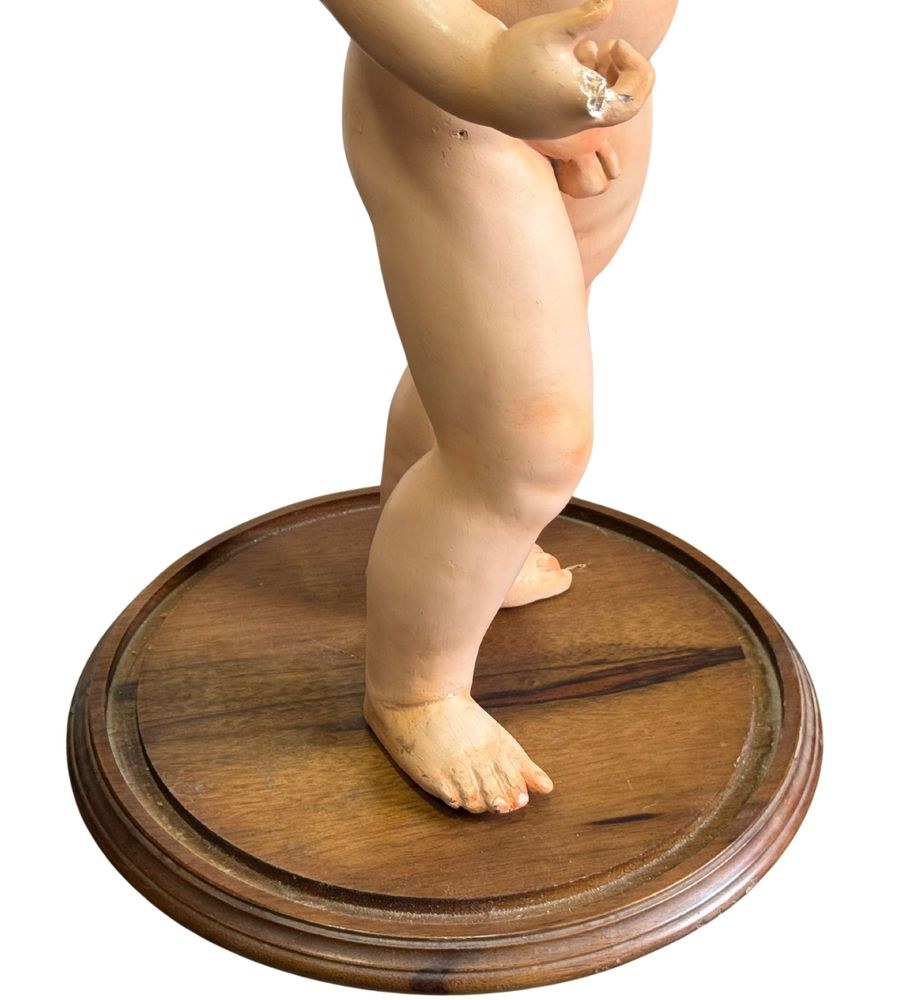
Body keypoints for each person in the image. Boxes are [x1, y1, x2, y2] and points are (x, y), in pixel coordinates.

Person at [322, 0, 677, 812]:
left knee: (489, 367)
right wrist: (480, 70)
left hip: (595, 90)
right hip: (449, 104)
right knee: (527, 440)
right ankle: (415, 691)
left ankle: (435, 540)